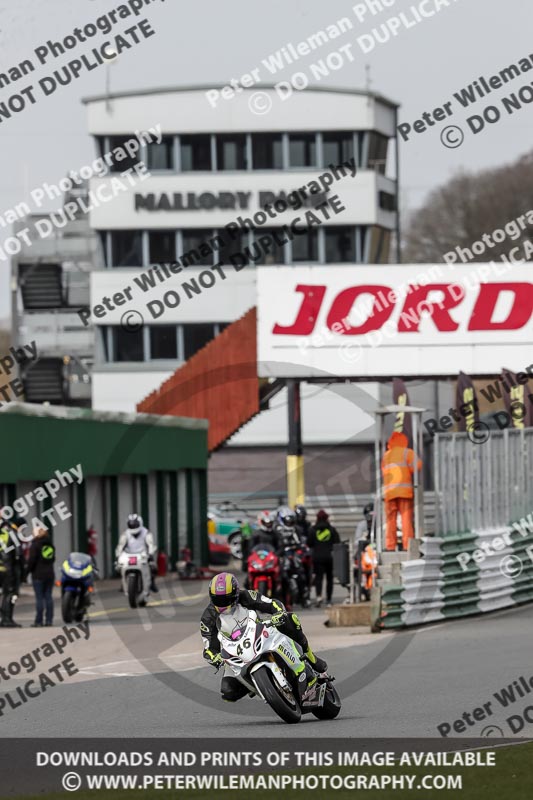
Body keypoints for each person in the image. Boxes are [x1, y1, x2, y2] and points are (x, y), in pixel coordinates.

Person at [200, 572, 327, 703]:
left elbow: (271, 603)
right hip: (236, 650)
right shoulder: (207, 617)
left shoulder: (246, 596)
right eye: (217, 599)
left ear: (235, 594)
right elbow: (208, 646)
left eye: (226, 599)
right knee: (228, 691)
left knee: (290, 619)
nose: (222, 603)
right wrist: (214, 657)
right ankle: (261, 685)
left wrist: (279, 613)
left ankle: (311, 658)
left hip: (258, 631)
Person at [381, 431, 422, 551]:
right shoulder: (407, 453)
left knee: (390, 521)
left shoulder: (386, 455)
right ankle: (407, 545)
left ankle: (390, 546)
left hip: (390, 492)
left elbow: (384, 471)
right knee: (406, 519)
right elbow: (418, 466)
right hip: (404, 492)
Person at [116, 513, 158, 593]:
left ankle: (152, 583)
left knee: (153, 567)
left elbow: (151, 544)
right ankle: (123, 583)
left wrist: (150, 554)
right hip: (129, 555)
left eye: (135, 524)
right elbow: (120, 546)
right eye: (131, 524)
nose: (133, 526)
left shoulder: (146, 533)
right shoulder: (125, 534)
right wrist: (118, 556)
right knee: (119, 567)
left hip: (142, 554)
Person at [308, 509, 340, 608]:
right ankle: (329, 599)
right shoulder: (331, 529)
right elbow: (337, 542)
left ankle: (318, 597)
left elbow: (309, 543)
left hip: (317, 557)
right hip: (329, 557)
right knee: (329, 578)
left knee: (319, 578)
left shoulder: (313, 530)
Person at [27, 526, 56, 627]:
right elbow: (53, 559)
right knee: (48, 597)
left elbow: (31, 561)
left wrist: (27, 572)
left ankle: (38, 621)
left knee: (39, 598)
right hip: (50, 574)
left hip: (38, 574)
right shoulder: (50, 545)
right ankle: (49, 620)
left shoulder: (35, 545)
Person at [0, 517, 25, 628]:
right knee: (10, 594)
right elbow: (19, 555)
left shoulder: (2, 534)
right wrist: (23, 572)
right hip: (10, 569)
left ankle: (4, 618)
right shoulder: (13, 534)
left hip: (2, 568)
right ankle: (7, 619)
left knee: (5, 594)